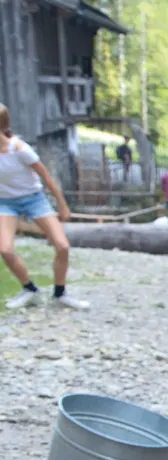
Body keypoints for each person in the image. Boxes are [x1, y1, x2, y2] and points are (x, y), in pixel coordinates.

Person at [0, 103, 90, 310]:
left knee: (62, 245)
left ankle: (60, 294)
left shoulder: (20, 149)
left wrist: (62, 204)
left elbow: (46, 177)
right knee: (5, 249)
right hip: (5, 202)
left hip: (34, 198)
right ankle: (30, 290)